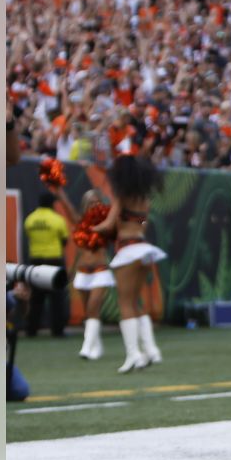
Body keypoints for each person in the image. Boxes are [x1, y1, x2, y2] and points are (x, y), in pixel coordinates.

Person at [94, 155, 167, 373]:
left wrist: (88, 229)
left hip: (128, 250)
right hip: (145, 250)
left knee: (124, 303)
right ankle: (148, 351)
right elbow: (141, 226)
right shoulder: (145, 200)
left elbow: (108, 225)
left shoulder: (121, 196)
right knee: (135, 301)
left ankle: (133, 354)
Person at [61, 189, 115, 360]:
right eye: (91, 202)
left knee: (93, 307)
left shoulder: (106, 223)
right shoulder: (79, 222)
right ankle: (97, 347)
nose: (94, 205)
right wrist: (59, 191)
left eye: (97, 202)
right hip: (83, 272)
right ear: (85, 205)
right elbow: (68, 207)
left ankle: (86, 347)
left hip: (101, 271)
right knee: (90, 313)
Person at [22, 191, 71, 338]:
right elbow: (64, 240)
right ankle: (58, 331)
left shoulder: (30, 219)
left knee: (36, 297)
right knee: (57, 297)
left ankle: (32, 330)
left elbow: (29, 236)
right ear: (52, 204)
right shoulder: (57, 219)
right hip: (54, 260)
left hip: (35, 261)